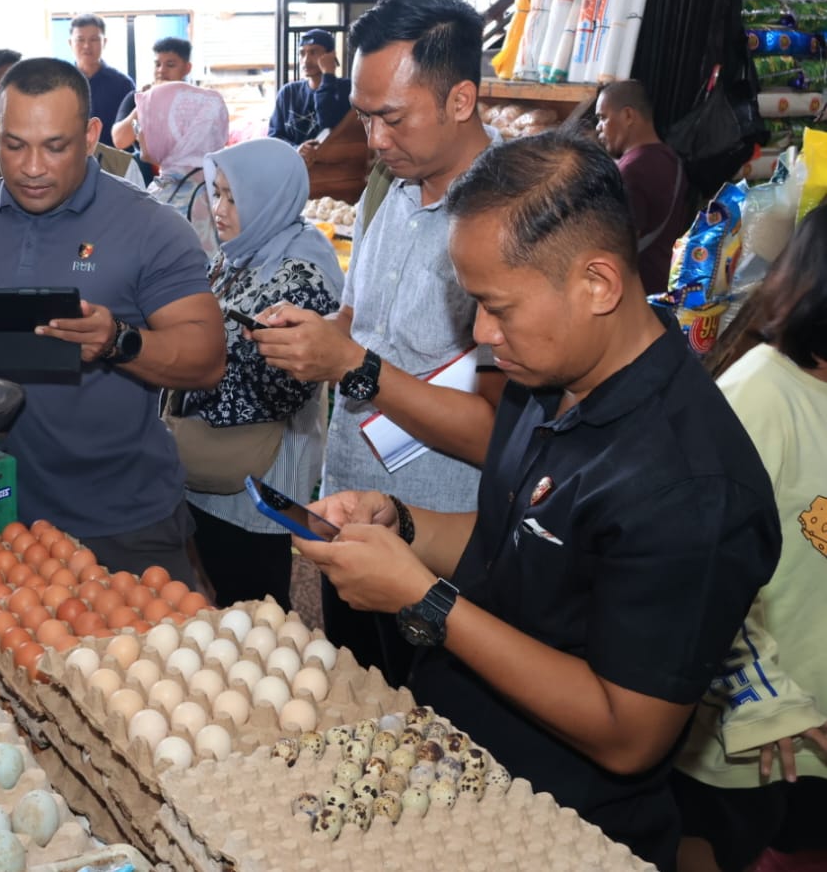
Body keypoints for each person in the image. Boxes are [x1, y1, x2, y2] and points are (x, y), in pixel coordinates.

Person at [294, 132, 780, 871]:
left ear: (596, 283)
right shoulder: (543, 379)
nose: (483, 336)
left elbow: (627, 732)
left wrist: (424, 601)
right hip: (461, 765)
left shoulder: (690, 486)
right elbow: (514, 541)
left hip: (563, 826)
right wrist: (406, 528)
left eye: (495, 307)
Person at [0, 57, 226, 583]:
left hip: (121, 517)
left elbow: (207, 359)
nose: (32, 167)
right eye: (15, 144)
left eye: (55, 146)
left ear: (90, 136)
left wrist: (119, 342)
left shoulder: (149, 225)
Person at [251, 0, 505, 687]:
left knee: (442, 727)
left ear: (460, 99)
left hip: (442, 537)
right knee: (358, 699)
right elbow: (360, 325)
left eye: (391, 118)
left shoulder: (510, 218)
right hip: (352, 512)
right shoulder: (388, 189)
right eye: (364, 118)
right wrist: (313, 338)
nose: (373, 140)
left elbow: (496, 432)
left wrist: (353, 366)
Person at [672, 204, 827, 872]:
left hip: (807, 723)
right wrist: (763, 699)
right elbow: (697, 571)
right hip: (745, 736)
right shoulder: (760, 396)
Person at [178, 139, 343, 609]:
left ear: (270, 198)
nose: (220, 208)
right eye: (218, 193)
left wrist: (196, 364)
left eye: (234, 197)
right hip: (214, 460)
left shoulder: (303, 272)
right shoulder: (237, 255)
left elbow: (284, 389)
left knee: (253, 602)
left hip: (259, 475)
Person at [596, 79, 691, 296]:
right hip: (664, 287)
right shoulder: (672, 159)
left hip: (637, 295)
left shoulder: (631, 171)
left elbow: (617, 248)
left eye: (603, 117)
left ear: (628, 116)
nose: (598, 127)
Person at [135, 81, 230, 252]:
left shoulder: (192, 196)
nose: (138, 133)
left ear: (173, 131)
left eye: (144, 124)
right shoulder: (209, 182)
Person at [268, 28, 352, 158]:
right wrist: (296, 149)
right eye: (302, 54)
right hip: (294, 167)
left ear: (330, 55)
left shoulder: (347, 89)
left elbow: (327, 122)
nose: (306, 60)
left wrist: (328, 76)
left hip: (334, 170)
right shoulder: (288, 93)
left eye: (313, 52)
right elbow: (274, 136)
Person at [111, 36, 193, 153]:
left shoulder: (198, 101)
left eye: (170, 65)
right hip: (147, 169)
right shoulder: (137, 98)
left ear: (187, 68)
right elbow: (120, 140)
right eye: (157, 64)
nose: (161, 70)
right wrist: (145, 103)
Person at [68, 14, 136, 147]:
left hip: (113, 163)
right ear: (70, 43)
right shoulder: (59, 82)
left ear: (104, 42)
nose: (87, 46)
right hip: (69, 159)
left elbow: (131, 131)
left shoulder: (122, 84)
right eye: (80, 39)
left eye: (94, 39)